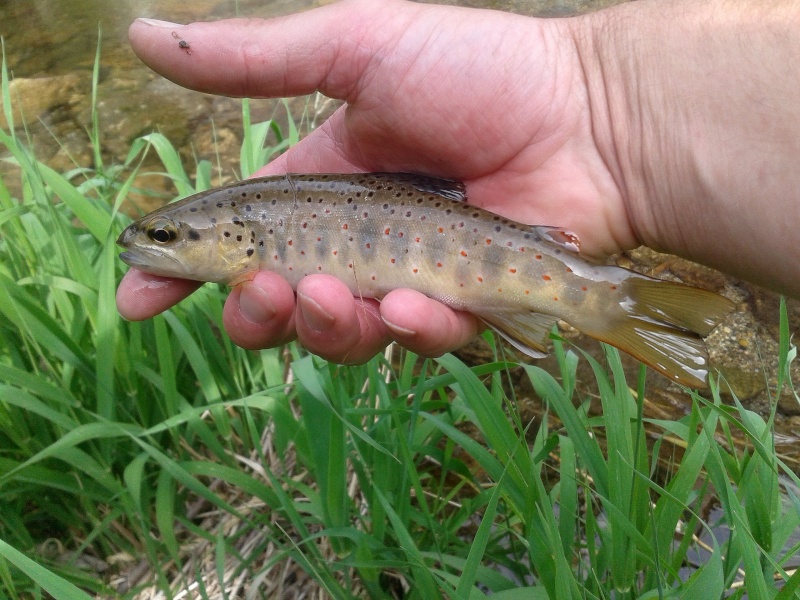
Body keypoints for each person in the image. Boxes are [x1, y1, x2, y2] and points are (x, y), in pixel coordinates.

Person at [116, 0, 800, 365]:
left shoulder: (254, 221)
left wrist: (594, 103)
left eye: (168, 235)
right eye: (163, 236)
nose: (149, 242)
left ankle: (607, 301)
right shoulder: (249, 228)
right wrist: (599, 110)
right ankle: (609, 302)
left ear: (230, 237)